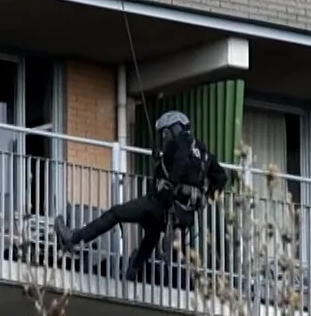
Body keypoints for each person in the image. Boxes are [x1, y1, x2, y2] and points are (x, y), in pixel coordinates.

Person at [53, 110, 231, 281]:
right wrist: (206, 198)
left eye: (165, 133)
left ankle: (73, 239)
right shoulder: (204, 152)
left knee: (116, 213)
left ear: (173, 130)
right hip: (184, 214)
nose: (163, 138)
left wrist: (163, 171)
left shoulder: (176, 145)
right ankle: (132, 270)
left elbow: (176, 171)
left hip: (161, 204)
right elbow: (221, 178)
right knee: (151, 235)